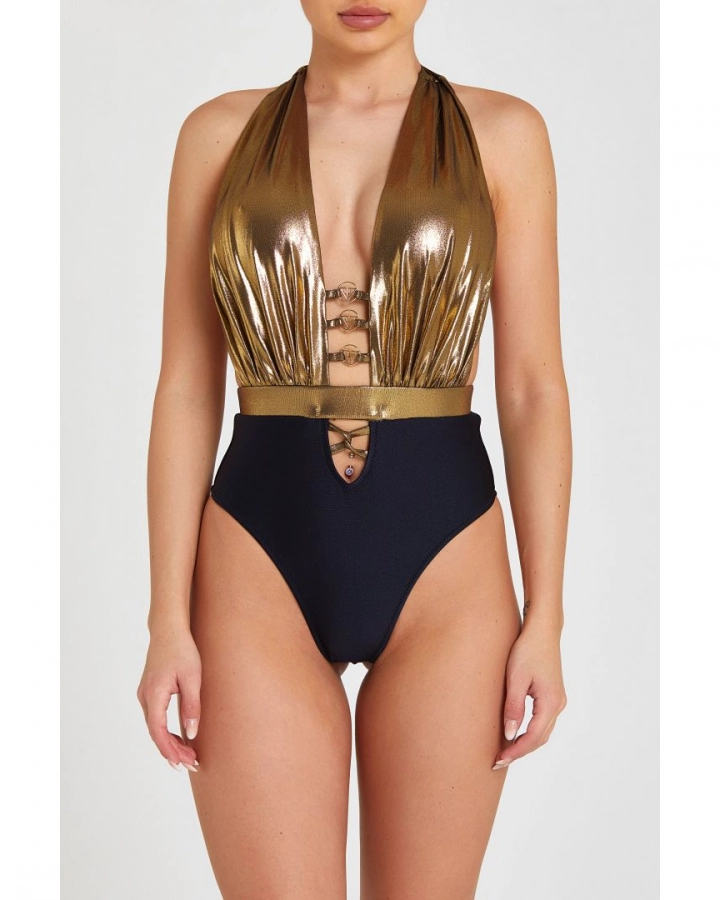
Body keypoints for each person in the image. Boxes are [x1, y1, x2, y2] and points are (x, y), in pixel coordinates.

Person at [136, 1, 571, 896]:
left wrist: (548, 618)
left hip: (448, 570)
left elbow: (532, 389)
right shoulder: (217, 136)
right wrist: (165, 618)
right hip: (256, 566)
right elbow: (186, 386)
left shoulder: (505, 135)